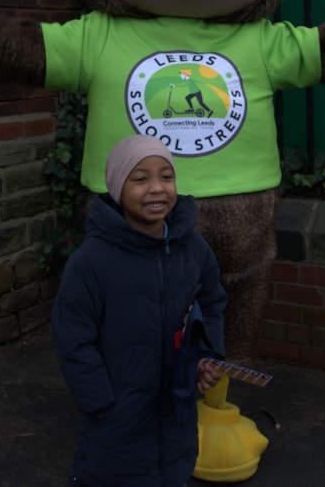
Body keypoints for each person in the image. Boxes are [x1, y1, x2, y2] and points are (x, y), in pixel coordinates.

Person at [52, 134, 228, 487]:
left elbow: (212, 304)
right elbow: (73, 337)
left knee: (174, 472)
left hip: (176, 410)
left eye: (166, 176)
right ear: (118, 188)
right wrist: (101, 403)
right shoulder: (91, 261)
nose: (157, 189)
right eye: (140, 179)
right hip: (117, 418)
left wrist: (208, 356)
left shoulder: (192, 248)